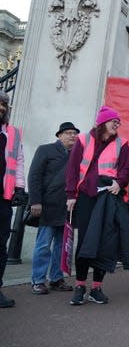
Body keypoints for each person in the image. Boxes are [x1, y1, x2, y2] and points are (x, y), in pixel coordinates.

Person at [65, 106, 129, 306]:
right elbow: (72, 168)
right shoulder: (83, 140)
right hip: (86, 197)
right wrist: (70, 195)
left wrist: (119, 183)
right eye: (114, 121)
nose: (117, 124)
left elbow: (126, 168)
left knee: (105, 243)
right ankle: (79, 285)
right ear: (102, 122)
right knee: (86, 241)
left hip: (108, 199)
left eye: (119, 122)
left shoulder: (123, 143)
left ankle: (96, 288)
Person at [28, 122, 79, 295]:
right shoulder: (45, 150)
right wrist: (35, 201)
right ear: (59, 135)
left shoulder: (77, 155)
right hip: (47, 206)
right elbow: (34, 176)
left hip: (66, 207)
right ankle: (38, 280)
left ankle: (56, 279)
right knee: (43, 245)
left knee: (61, 246)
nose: (72, 136)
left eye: (74, 133)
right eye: (68, 133)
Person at [0, 90, 26, 308]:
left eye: (3, 104)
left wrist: (20, 188)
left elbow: (18, 162)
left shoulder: (13, 133)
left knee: (0, 245)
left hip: (4, 199)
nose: (1, 107)